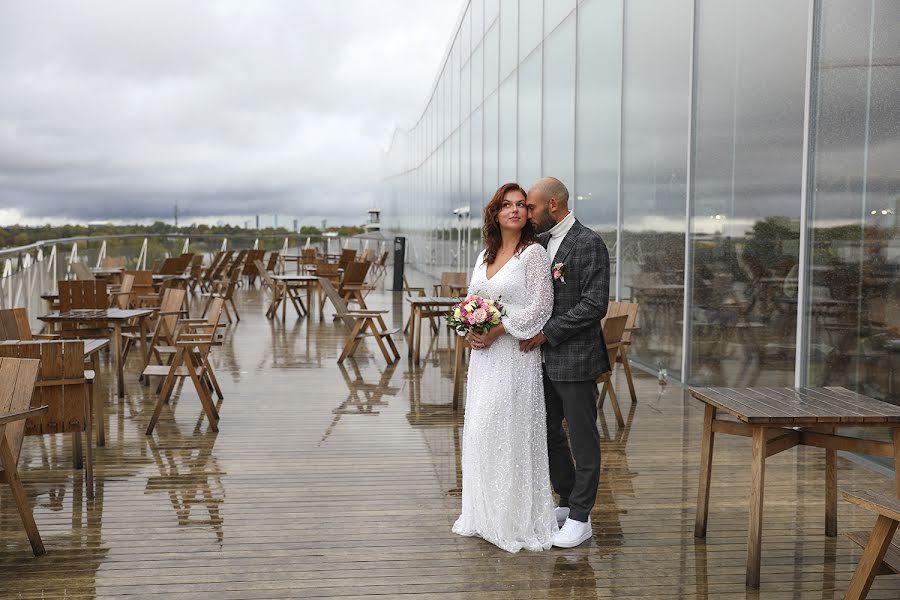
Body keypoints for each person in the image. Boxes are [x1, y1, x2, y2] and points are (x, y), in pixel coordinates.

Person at [451, 182, 558, 552]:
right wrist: (470, 328)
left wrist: (498, 328)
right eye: (506, 205)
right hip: (483, 359)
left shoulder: (534, 255)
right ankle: (484, 516)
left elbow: (541, 308)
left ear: (529, 214)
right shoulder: (484, 255)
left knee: (509, 433)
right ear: (495, 213)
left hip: (515, 356)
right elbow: (471, 299)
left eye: (521, 205)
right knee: (481, 432)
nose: (514, 210)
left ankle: (513, 520)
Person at [521, 177, 611, 548]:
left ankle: (581, 517)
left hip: (575, 359)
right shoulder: (539, 243)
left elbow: (594, 304)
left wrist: (547, 333)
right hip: (540, 361)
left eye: (531, 207)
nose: (527, 213)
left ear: (553, 205)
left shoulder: (589, 243)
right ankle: (568, 498)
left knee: (582, 438)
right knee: (548, 433)